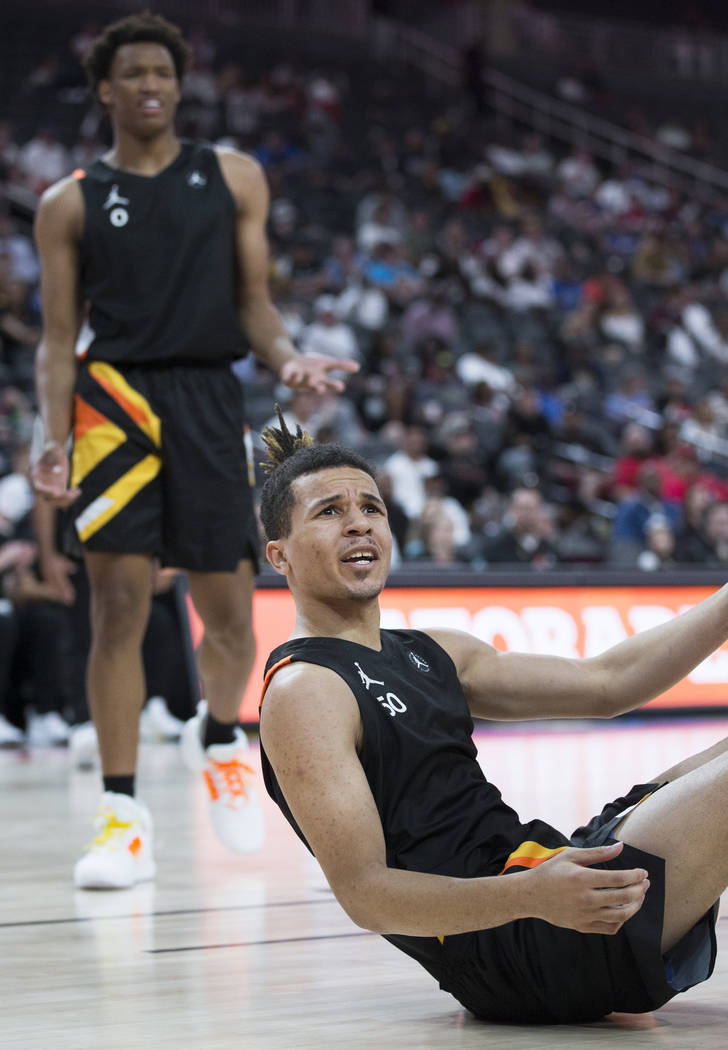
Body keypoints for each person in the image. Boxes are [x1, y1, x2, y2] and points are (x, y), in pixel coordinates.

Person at [256, 415, 728, 1024]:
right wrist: (531, 896)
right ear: (278, 556)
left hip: (545, 876)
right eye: (328, 512)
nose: (358, 521)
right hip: (512, 940)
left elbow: (609, 683)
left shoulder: (431, 650)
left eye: (371, 506)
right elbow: (367, 895)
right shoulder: (304, 689)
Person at [31, 13, 357, 891]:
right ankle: (121, 815)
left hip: (211, 396)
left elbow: (253, 300)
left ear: (179, 87)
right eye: (132, 73)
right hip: (114, 402)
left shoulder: (232, 178)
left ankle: (218, 737)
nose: (149, 85)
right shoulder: (69, 202)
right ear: (105, 89)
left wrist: (287, 358)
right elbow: (57, 341)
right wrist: (48, 437)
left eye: (163, 74)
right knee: (117, 607)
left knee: (225, 609)